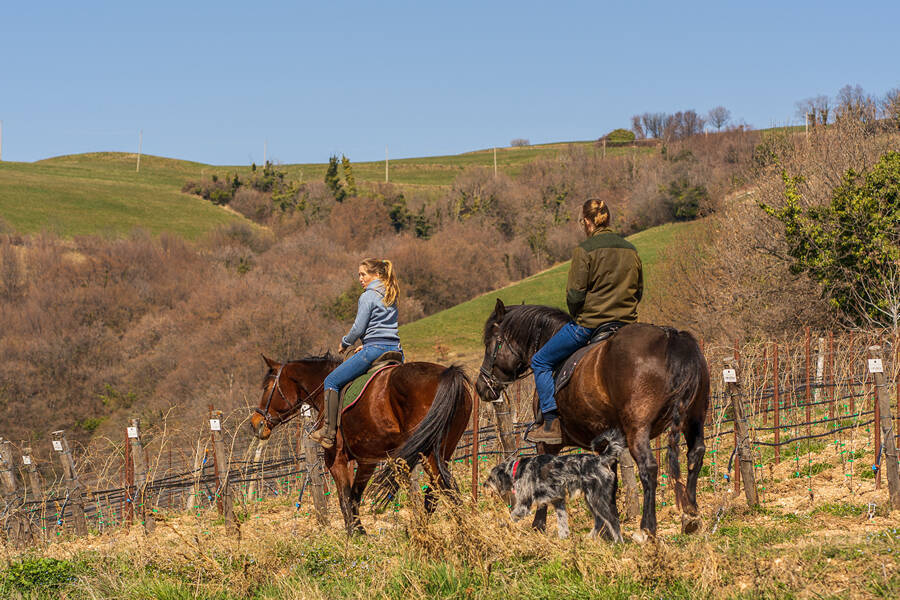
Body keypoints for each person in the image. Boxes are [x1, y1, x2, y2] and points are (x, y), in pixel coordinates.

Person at [527, 199, 643, 444]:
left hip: (590, 324)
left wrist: (578, 315)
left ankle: (550, 423)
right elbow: (638, 291)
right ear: (608, 219)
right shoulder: (631, 249)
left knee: (540, 361)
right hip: (627, 325)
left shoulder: (585, 250)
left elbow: (575, 295)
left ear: (587, 222)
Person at [309, 258, 403, 449]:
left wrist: (346, 342)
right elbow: (383, 328)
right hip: (395, 350)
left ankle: (328, 432)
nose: (360, 278)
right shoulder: (391, 293)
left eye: (363, 274)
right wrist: (366, 343)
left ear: (376, 275)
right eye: (359, 275)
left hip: (374, 350)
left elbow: (359, 327)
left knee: (331, 381)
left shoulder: (367, 296)